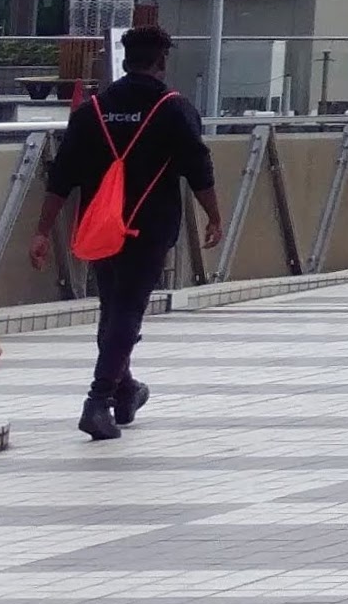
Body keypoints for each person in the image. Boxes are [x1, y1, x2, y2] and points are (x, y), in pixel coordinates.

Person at [40, 26, 221, 443]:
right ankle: (97, 401)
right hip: (149, 225)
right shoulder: (173, 108)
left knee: (113, 305)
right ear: (161, 61)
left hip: (100, 224)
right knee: (128, 310)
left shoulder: (93, 110)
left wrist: (42, 231)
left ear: (125, 60)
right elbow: (199, 168)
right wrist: (213, 216)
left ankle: (125, 390)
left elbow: (61, 174)